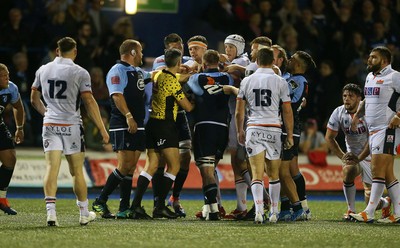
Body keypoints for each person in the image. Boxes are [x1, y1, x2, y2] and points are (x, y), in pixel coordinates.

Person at [30, 37, 109, 226]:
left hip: (50, 125)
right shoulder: (80, 72)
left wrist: (46, 113)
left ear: (57, 51)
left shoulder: (43, 69)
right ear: (74, 52)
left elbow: (34, 98)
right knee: (77, 172)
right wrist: (102, 128)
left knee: (51, 169)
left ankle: (51, 214)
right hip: (71, 126)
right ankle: (83, 214)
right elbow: (89, 102)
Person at [130, 48, 194, 219]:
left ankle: (135, 206)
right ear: (179, 63)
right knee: (174, 166)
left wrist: (189, 75)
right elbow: (187, 106)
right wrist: (195, 99)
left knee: (151, 166)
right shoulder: (172, 81)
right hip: (165, 125)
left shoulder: (158, 74)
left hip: (151, 123)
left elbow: (177, 78)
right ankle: (159, 206)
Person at [92, 39, 152, 219]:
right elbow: (117, 96)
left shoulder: (138, 72)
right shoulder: (117, 70)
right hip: (123, 123)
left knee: (132, 166)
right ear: (133, 53)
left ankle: (124, 207)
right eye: (140, 51)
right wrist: (128, 116)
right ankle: (100, 201)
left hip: (138, 123)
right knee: (124, 165)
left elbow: (154, 75)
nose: (142, 54)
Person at [236, 47, 294, 223]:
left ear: (257, 61)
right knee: (274, 174)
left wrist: (240, 129)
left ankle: (259, 211)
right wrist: (290, 134)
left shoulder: (246, 81)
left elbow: (239, 111)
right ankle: (274, 213)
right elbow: (287, 110)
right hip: (273, 129)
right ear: (273, 61)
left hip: (254, 128)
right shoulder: (280, 82)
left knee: (256, 173)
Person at [349, 46, 400, 223]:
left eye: (373, 57)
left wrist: (398, 116)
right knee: (387, 173)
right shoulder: (370, 77)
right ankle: (398, 212)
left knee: (377, 170)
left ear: (384, 61)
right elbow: (367, 99)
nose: (369, 60)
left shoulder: (394, 76)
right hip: (374, 130)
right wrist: (357, 115)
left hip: (387, 128)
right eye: (369, 57)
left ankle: (369, 212)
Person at [325, 83, 391, 221]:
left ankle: (385, 202)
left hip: (372, 155)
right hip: (353, 156)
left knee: (370, 202)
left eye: (351, 96)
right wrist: (343, 156)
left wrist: (359, 158)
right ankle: (351, 210)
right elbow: (329, 138)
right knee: (348, 171)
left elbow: (372, 139)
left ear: (359, 98)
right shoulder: (338, 112)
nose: (346, 99)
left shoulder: (369, 112)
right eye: (344, 96)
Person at [185, 49, 234, 220]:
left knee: (206, 171)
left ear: (204, 64)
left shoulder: (196, 78)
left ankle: (213, 210)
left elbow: (195, 91)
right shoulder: (227, 78)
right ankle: (210, 207)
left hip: (204, 126)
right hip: (223, 127)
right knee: (211, 169)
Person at [150, 33, 193, 217]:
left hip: (180, 114)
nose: (179, 49)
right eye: (175, 47)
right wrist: (188, 73)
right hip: (165, 116)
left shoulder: (187, 61)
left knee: (184, 158)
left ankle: (174, 198)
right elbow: (171, 78)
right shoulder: (161, 61)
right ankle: (158, 202)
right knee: (160, 161)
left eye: (181, 46)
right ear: (167, 48)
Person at [282, 51, 317, 220]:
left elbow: (290, 103)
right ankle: (303, 207)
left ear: (298, 65)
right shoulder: (294, 79)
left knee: (284, 169)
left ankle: (294, 207)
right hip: (292, 127)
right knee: (292, 169)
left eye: (292, 59)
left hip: (289, 127)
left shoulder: (297, 81)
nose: (288, 60)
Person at [0, 63, 25, 215]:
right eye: (3, 76)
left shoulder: (11, 88)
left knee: (10, 159)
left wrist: (20, 128)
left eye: (7, 75)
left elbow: (19, 107)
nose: (7, 78)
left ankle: (1, 199)